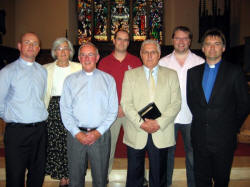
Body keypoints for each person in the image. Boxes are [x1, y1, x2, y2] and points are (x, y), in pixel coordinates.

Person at [187, 29, 249, 187]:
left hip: (224, 139)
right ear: (202, 48)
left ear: (224, 47)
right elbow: (191, 101)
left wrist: (230, 126)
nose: (212, 48)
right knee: (201, 180)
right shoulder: (193, 73)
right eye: (208, 44)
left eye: (217, 44)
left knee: (221, 180)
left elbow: (244, 104)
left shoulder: (235, 72)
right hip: (200, 137)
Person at [121, 39, 181, 187]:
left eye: (153, 52)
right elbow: (126, 104)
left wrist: (158, 123)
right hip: (136, 130)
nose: (149, 56)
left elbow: (176, 103)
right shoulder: (130, 75)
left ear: (159, 54)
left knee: (159, 176)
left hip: (161, 131)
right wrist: (141, 124)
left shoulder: (171, 75)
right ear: (141, 54)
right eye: (145, 52)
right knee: (134, 176)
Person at [60, 42, 118, 187]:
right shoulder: (70, 80)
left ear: (97, 57)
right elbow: (65, 110)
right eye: (83, 55)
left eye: (90, 54)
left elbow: (113, 110)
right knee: (75, 179)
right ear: (79, 58)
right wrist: (77, 133)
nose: (87, 58)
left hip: (100, 135)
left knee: (100, 179)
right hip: (76, 135)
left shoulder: (108, 80)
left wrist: (98, 132)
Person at [0, 32, 48, 187]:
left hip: (40, 131)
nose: (31, 46)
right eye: (27, 42)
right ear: (19, 46)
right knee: (15, 177)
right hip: (17, 132)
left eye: (34, 44)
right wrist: (12, 118)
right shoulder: (7, 72)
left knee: (37, 175)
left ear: (39, 49)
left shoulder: (42, 71)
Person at [159, 26, 204, 187]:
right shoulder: (162, 62)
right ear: (172, 40)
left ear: (190, 41)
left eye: (185, 38)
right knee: (168, 154)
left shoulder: (200, 62)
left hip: (192, 116)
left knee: (192, 154)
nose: (181, 41)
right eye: (178, 38)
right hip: (168, 116)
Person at [98, 30, 142, 178]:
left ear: (128, 43)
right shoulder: (104, 62)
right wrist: (115, 107)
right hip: (111, 112)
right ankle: (104, 177)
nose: (122, 42)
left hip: (131, 111)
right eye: (119, 39)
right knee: (108, 148)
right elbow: (101, 90)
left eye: (125, 40)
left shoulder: (136, 61)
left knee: (136, 146)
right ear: (114, 41)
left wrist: (126, 107)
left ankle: (137, 178)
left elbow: (140, 87)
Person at [43, 37, 82, 187]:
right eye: (59, 48)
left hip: (73, 108)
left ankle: (72, 174)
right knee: (57, 143)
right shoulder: (46, 69)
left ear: (71, 51)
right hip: (53, 108)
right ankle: (62, 177)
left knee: (71, 142)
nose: (63, 51)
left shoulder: (78, 67)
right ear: (54, 52)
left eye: (66, 48)